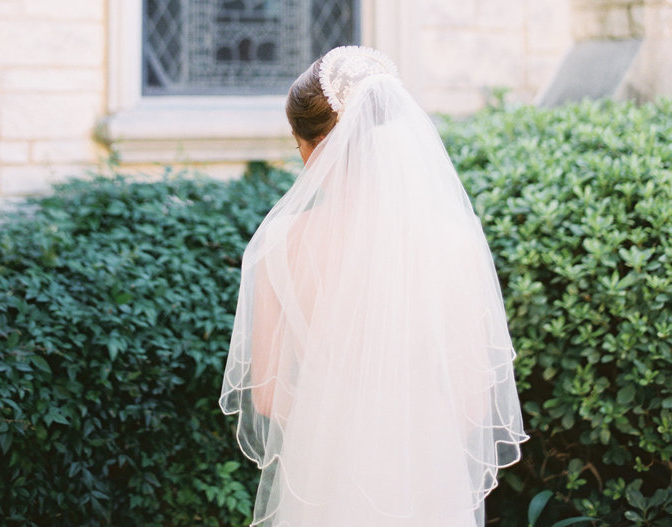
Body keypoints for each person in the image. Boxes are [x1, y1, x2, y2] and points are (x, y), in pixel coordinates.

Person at [220, 46, 527, 526]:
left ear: (317, 145)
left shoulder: (279, 244)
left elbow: (267, 395)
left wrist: (338, 430)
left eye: (297, 141)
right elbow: (471, 402)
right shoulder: (452, 240)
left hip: (325, 473)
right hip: (426, 470)